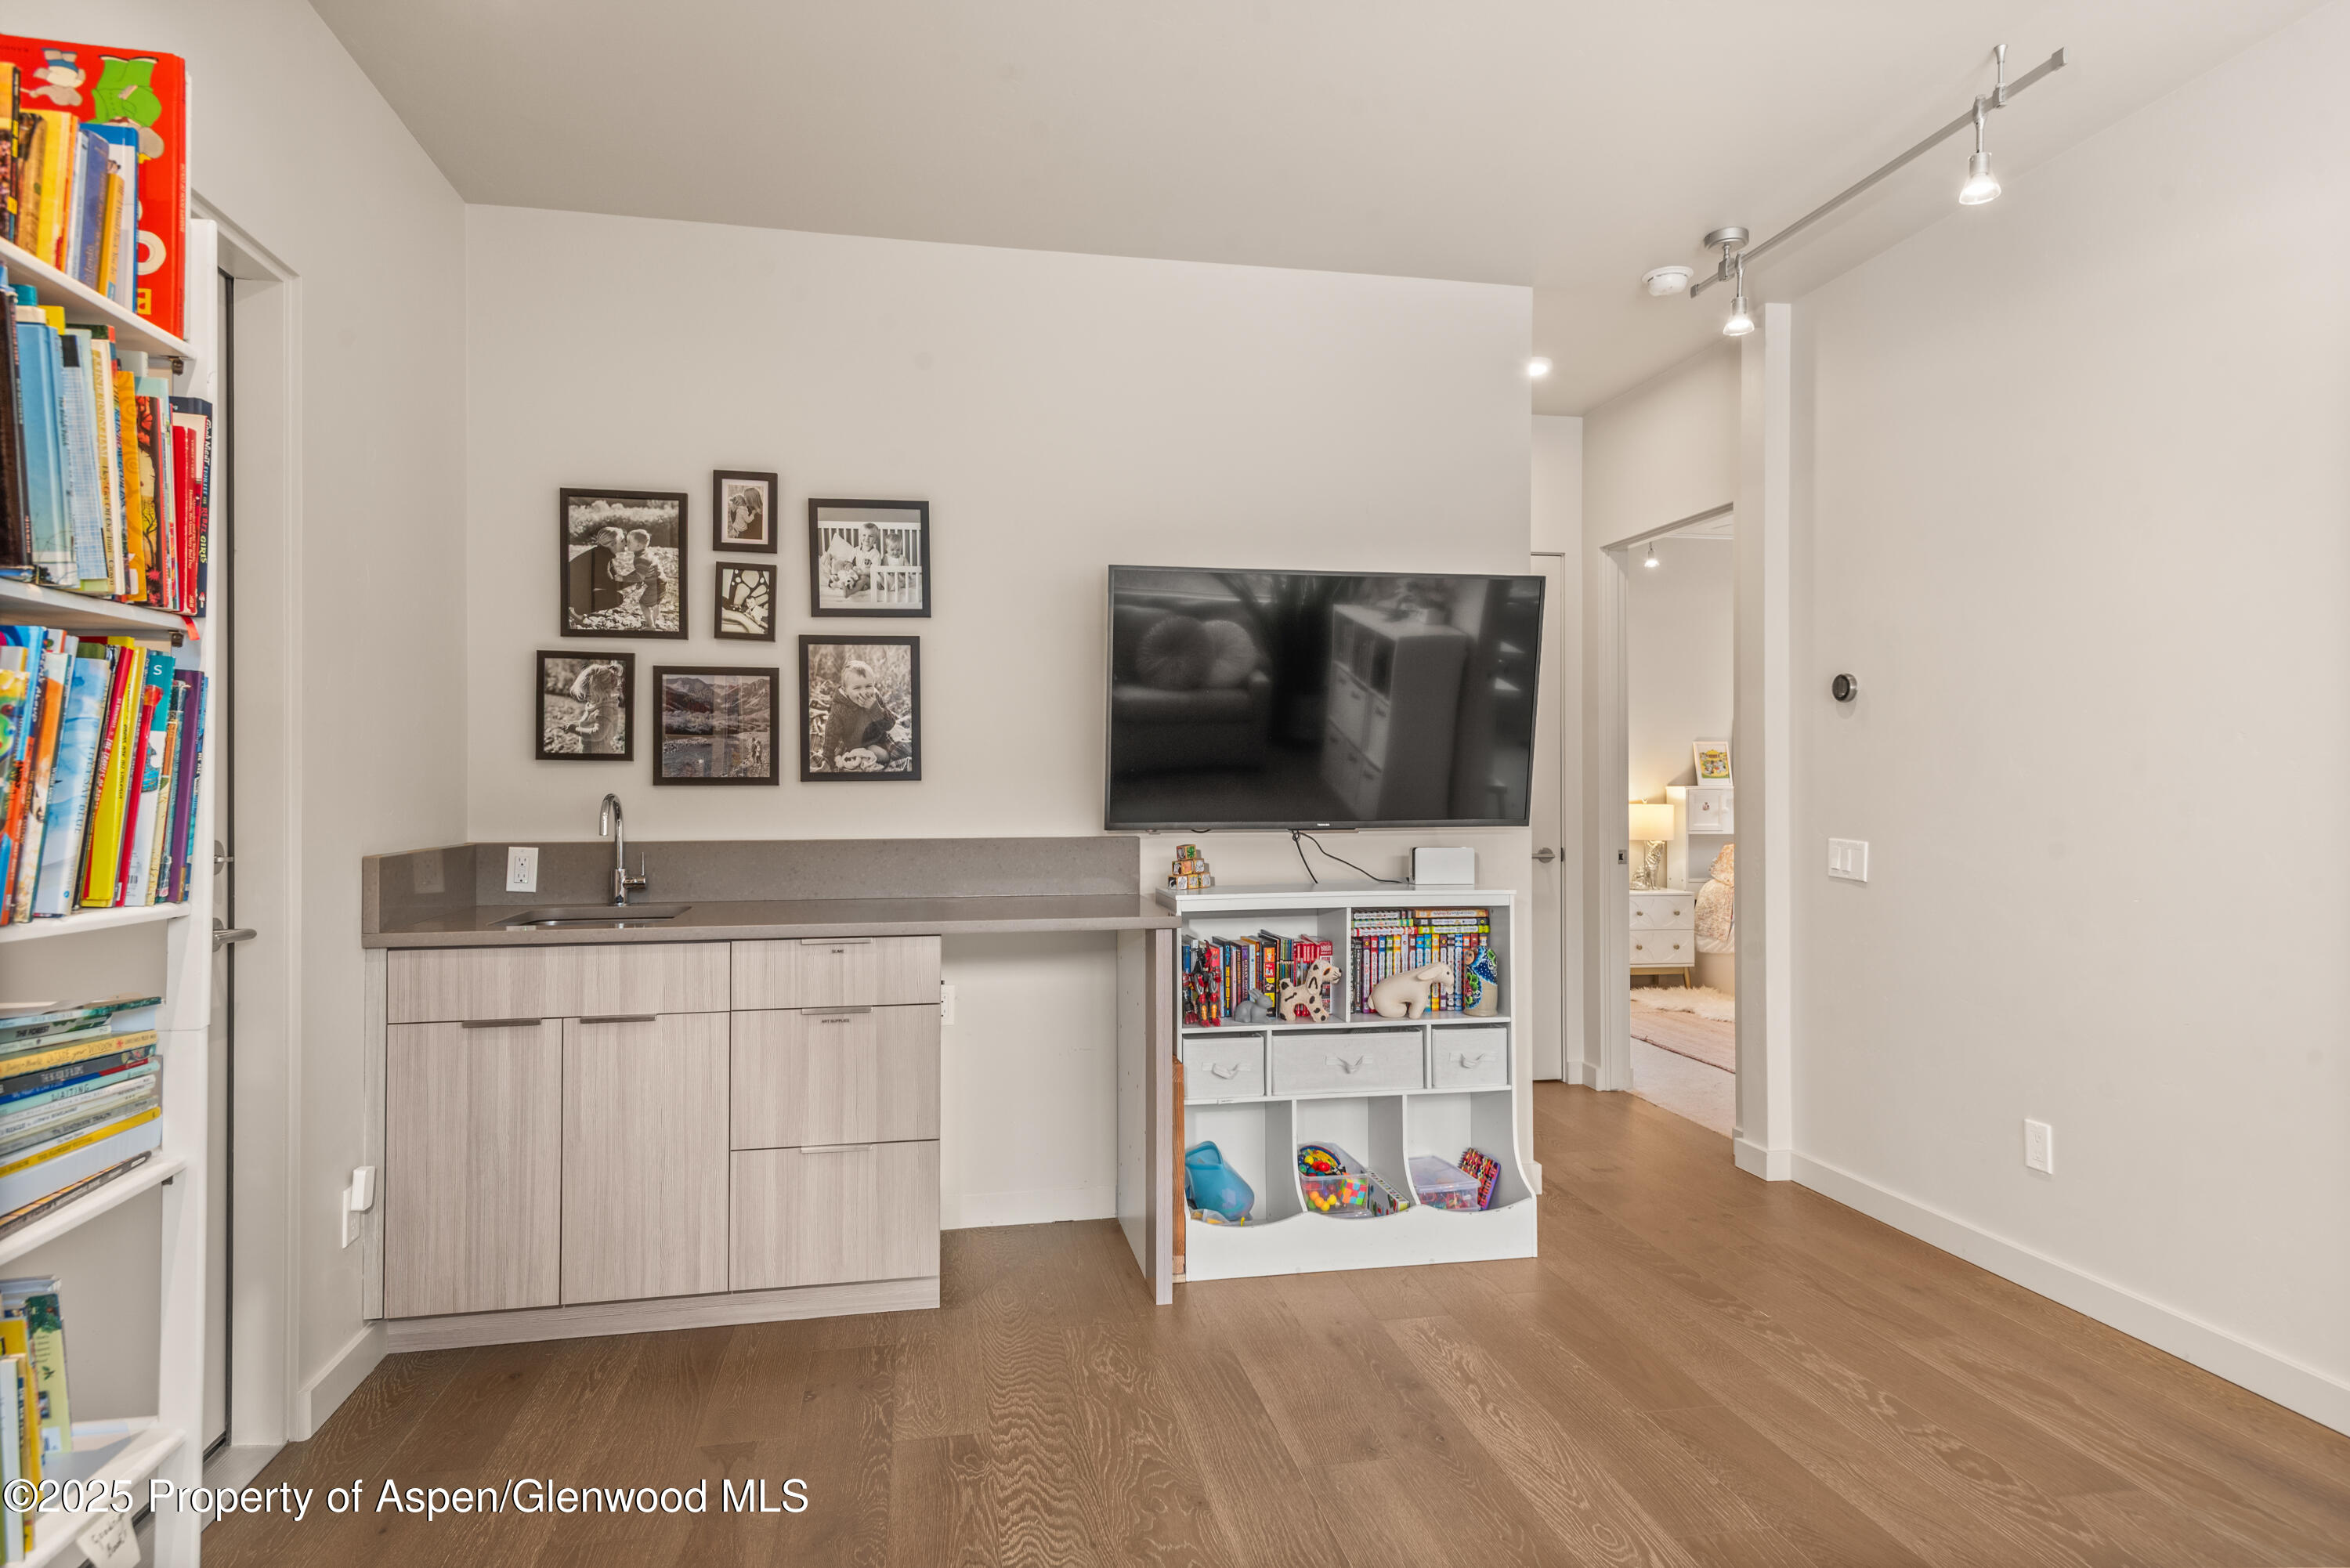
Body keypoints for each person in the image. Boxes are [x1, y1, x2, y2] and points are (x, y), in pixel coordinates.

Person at [819, 659, 907, 770]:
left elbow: (890, 724)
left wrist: (875, 708)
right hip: (853, 744)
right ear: (845, 690)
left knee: (883, 754)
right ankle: (858, 756)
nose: (864, 692)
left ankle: (867, 757)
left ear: (874, 685)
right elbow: (831, 733)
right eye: (857, 688)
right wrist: (828, 756)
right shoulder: (840, 707)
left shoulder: (875, 697)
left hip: (877, 740)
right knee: (847, 754)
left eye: (868, 686)